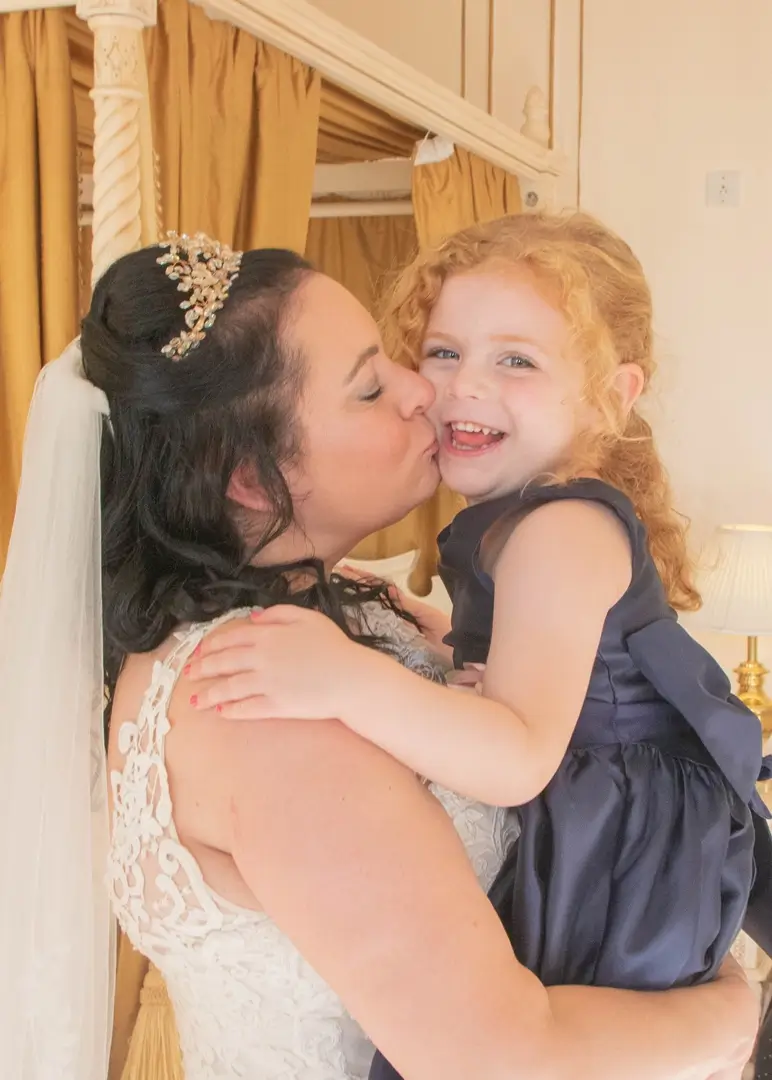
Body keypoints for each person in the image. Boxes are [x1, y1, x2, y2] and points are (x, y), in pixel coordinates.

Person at [0, 232, 758, 1080]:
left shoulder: (319, 625)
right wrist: (733, 1012)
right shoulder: (261, 704)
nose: (423, 390)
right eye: (372, 384)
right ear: (251, 477)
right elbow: (497, 1058)